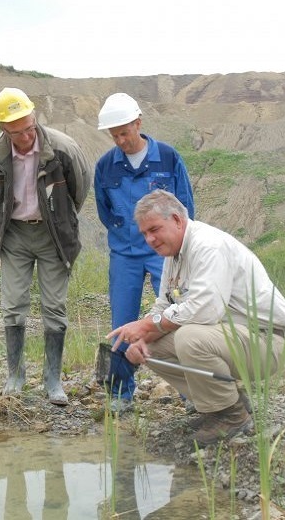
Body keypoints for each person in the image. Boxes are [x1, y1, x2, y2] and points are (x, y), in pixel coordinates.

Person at [106, 190, 285, 445]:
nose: (149, 239)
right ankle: (225, 404)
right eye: (144, 233)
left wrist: (148, 325)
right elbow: (164, 304)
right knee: (151, 346)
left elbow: (206, 309)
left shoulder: (208, 245)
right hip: (231, 337)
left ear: (177, 220)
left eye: (154, 229)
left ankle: (231, 416)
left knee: (189, 337)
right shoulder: (173, 255)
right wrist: (143, 336)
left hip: (266, 341)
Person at [0, 87, 91, 406]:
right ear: (3, 128)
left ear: (34, 116)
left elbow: (79, 190)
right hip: (15, 235)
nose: (26, 136)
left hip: (53, 235)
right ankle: (15, 376)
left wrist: (57, 220)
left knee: (54, 306)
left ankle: (53, 380)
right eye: (17, 132)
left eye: (29, 127)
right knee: (13, 304)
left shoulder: (63, 149)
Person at [94, 93, 195, 414]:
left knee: (175, 316)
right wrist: (125, 235)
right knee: (123, 322)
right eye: (114, 136)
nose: (120, 140)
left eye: (124, 133)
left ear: (138, 123)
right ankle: (120, 393)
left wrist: (178, 248)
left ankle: (191, 393)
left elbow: (185, 207)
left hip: (164, 254)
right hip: (124, 254)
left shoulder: (167, 158)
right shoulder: (105, 166)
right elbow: (105, 211)